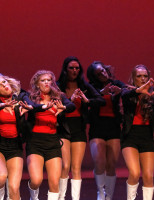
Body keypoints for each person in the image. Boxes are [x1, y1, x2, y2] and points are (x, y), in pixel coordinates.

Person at [56, 57, 104, 200]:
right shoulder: (58, 86)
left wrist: (87, 100)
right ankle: (61, 197)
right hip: (63, 127)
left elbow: (100, 100)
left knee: (76, 167)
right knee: (65, 166)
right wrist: (69, 102)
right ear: (65, 69)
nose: (75, 70)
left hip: (79, 127)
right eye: (71, 68)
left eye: (77, 68)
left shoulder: (84, 85)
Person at [26, 70, 75, 200]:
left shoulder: (58, 96)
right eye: (43, 80)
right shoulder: (30, 96)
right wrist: (42, 107)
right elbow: (31, 106)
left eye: (49, 80)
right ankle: (33, 197)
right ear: (37, 84)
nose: (46, 82)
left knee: (54, 183)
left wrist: (63, 108)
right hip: (35, 142)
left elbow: (71, 106)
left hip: (52, 142)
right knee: (36, 180)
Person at [0, 74, 34, 200]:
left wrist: (29, 107)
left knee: (13, 188)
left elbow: (30, 103)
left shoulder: (20, 97)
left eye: (4, 82)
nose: (4, 86)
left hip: (15, 147)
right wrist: (1, 106)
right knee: (1, 177)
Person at [121, 65, 154, 200]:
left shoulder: (153, 94)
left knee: (148, 176)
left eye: (145, 76)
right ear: (133, 78)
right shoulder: (127, 92)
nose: (142, 78)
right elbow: (125, 94)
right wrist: (140, 91)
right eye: (139, 76)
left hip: (146, 137)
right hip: (130, 137)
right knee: (134, 173)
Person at [86, 61, 125, 200]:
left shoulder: (117, 84)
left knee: (111, 163)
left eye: (103, 70)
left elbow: (128, 91)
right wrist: (101, 93)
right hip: (98, 127)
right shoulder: (91, 88)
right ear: (94, 76)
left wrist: (122, 92)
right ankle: (100, 192)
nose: (103, 74)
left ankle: (109, 195)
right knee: (99, 161)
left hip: (113, 127)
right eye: (98, 73)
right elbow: (88, 102)